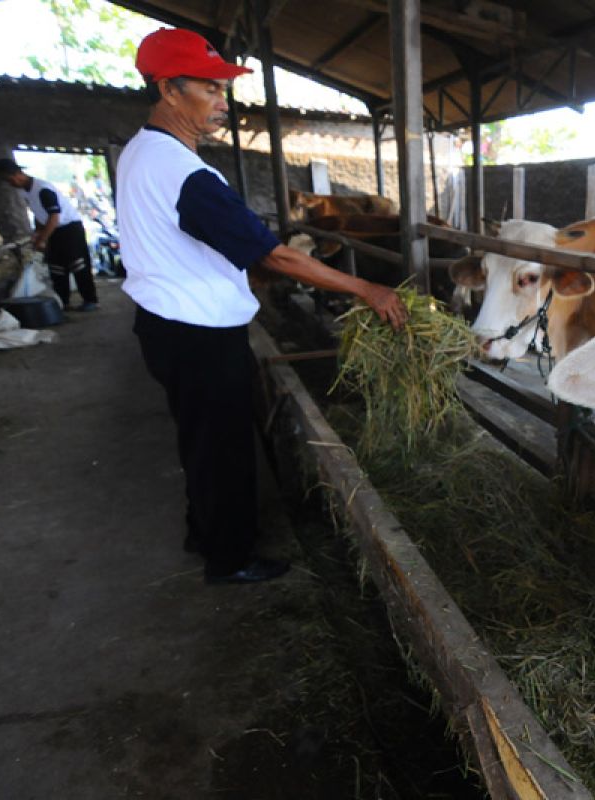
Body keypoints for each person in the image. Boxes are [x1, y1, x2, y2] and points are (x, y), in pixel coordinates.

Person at [118, 27, 408, 584]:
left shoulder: (140, 153)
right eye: (210, 88)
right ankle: (229, 558)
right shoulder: (183, 173)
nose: (222, 101)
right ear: (168, 90)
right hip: (197, 333)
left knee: (199, 437)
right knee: (224, 447)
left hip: (166, 323)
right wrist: (366, 289)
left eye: (223, 89)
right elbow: (275, 257)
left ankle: (201, 531)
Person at [0, 158, 101, 311]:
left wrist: (42, 239)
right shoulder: (25, 191)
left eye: (9, 179)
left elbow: (54, 217)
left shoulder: (43, 189)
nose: (10, 183)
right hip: (55, 229)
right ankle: (63, 301)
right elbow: (39, 215)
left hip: (70, 228)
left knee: (78, 264)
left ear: (18, 174)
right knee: (56, 266)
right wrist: (37, 233)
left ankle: (91, 300)